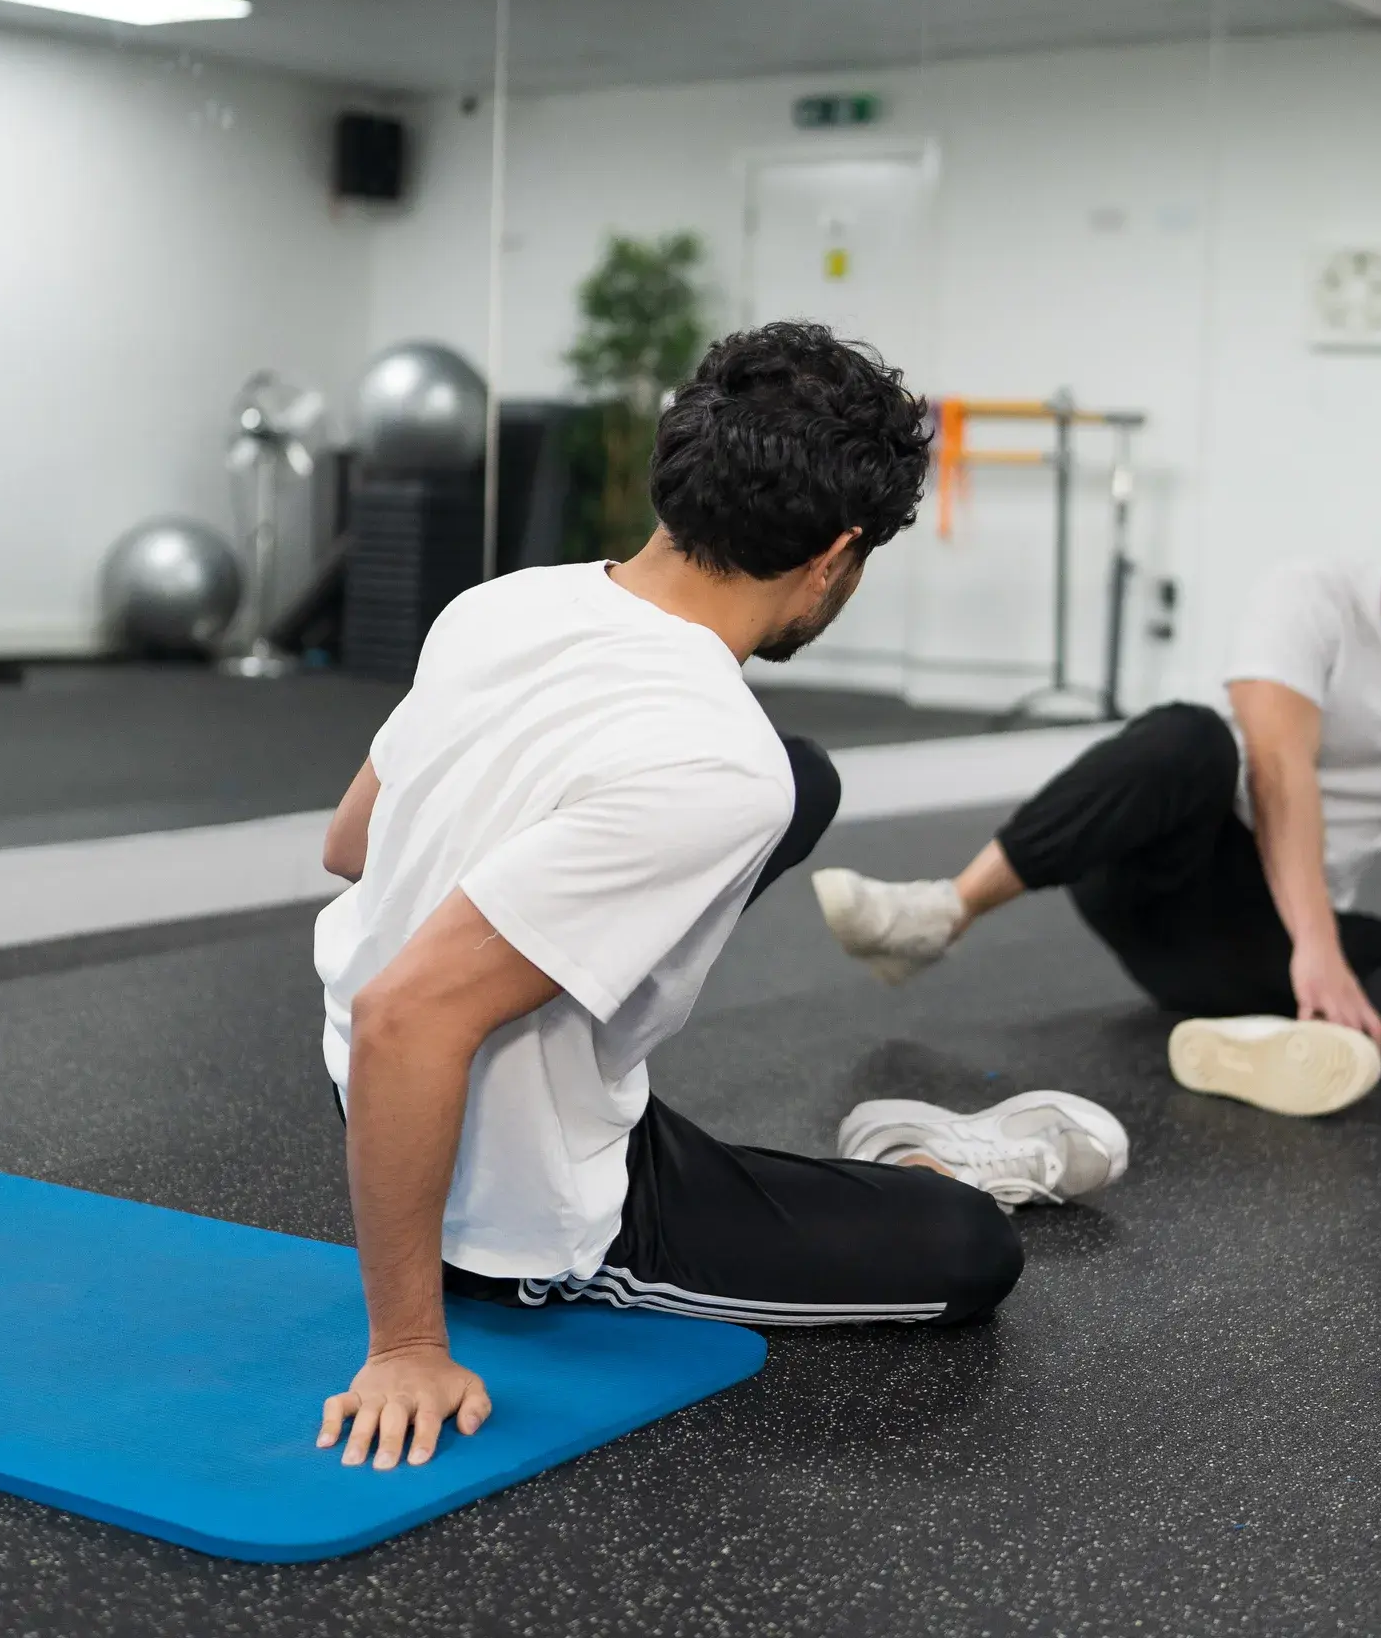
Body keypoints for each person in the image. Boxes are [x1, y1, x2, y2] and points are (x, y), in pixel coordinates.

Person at [313, 324, 1126, 1474]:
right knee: (967, 1253)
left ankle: (554, 970)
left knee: (802, 782)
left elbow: (354, 845)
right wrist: (404, 1345)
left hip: (361, 1076)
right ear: (839, 552)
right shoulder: (712, 759)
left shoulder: (501, 604)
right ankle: (927, 1164)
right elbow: (410, 1017)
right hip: (506, 1192)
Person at [813, 456, 1381, 1118]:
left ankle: (1273, 1047)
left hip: (1245, 948)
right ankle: (943, 914)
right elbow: (1278, 770)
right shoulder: (1310, 595)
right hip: (1161, 866)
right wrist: (1317, 945)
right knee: (1191, 738)